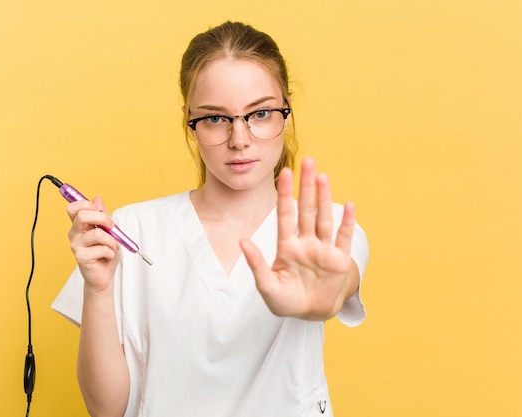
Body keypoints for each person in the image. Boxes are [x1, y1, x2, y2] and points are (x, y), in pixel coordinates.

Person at [52, 21, 369, 417]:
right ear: (189, 121)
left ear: (286, 112)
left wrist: (322, 297)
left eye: (261, 113)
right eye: (216, 118)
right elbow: (106, 410)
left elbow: (337, 285)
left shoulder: (328, 227)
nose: (240, 138)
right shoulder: (131, 230)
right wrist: (98, 289)